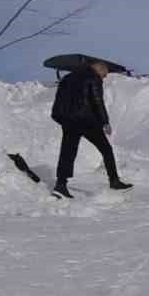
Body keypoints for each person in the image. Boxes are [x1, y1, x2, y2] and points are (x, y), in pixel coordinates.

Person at [50, 59, 131, 198]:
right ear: (99, 69)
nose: (104, 78)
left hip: (68, 121)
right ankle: (114, 181)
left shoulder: (67, 78)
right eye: (104, 75)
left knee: (67, 153)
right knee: (106, 149)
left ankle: (60, 185)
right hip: (87, 121)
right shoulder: (93, 77)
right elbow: (97, 101)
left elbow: (58, 100)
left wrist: (59, 117)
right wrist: (105, 122)